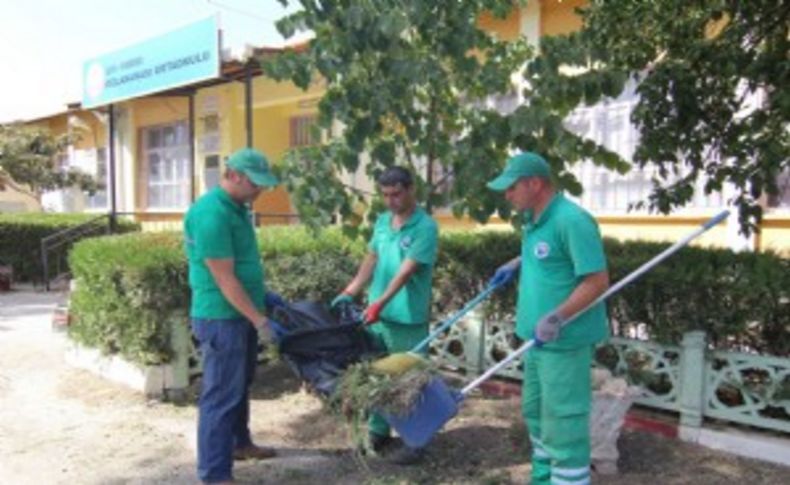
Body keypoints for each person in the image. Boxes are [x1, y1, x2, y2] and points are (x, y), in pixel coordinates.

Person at [487, 152, 610, 485]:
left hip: (564, 339)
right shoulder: (536, 219)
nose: (507, 195)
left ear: (535, 183)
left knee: (563, 419)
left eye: (512, 188)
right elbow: (551, 256)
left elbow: (596, 281)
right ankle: (543, 478)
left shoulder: (572, 220)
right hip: (536, 339)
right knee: (536, 413)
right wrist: (517, 262)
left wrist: (558, 317)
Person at [184, 147, 286, 485]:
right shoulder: (211, 213)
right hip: (220, 317)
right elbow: (224, 277)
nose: (260, 190)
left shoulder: (238, 208)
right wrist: (259, 320)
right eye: (255, 183)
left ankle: (239, 444)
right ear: (234, 176)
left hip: (240, 312)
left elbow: (242, 266)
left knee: (239, 386)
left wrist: (267, 300)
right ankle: (214, 474)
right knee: (220, 395)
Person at [332, 166, 438, 465]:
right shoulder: (382, 222)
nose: (391, 201)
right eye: (386, 195)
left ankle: (417, 440)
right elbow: (372, 258)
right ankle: (379, 431)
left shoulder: (425, 227)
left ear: (410, 190)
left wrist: (380, 302)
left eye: (397, 194)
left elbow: (406, 271)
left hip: (407, 317)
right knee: (378, 374)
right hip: (378, 316)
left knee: (411, 378)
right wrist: (351, 290)